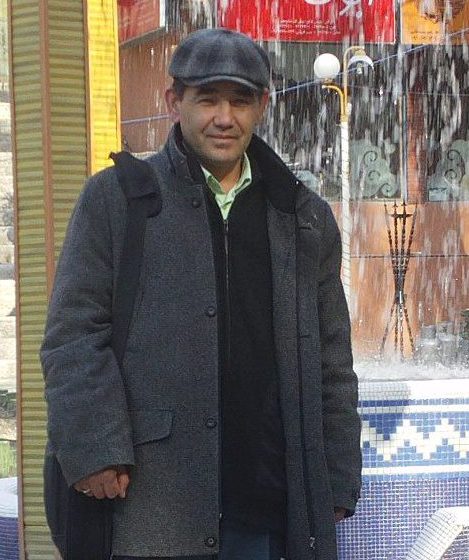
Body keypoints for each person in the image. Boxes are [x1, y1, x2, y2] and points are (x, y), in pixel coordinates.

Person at [41, 28, 361, 560]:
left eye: (240, 101)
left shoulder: (302, 216)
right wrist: (95, 447)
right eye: (207, 99)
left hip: (266, 499)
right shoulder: (118, 200)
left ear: (262, 105)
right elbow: (74, 335)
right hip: (150, 504)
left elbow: (332, 358)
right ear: (175, 101)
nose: (224, 117)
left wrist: (338, 475)